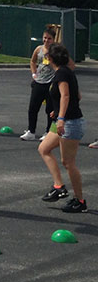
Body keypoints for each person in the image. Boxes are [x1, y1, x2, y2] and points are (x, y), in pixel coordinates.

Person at [37, 43, 87, 213]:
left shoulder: (62, 74)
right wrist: (57, 111)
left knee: (68, 162)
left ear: (50, 58)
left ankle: (80, 201)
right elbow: (77, 96)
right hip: (63, 120)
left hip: (70, 123)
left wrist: (61, 117)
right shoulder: (65, 72)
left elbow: (66, 95)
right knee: (44, 149)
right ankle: (59, 186)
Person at [20, 27, 70, 141]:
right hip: (39, 81)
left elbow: (69, 64)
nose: (46, 41)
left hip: (51, 83)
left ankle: (48, 132)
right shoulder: (39, 49)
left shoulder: (56, 51)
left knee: (50, 110)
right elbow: (32, 61)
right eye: (45, 38)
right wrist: (34, 73)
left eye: (49, 39)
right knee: (33, 107)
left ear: (53, 40)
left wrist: (59, 74)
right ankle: (31, 131)